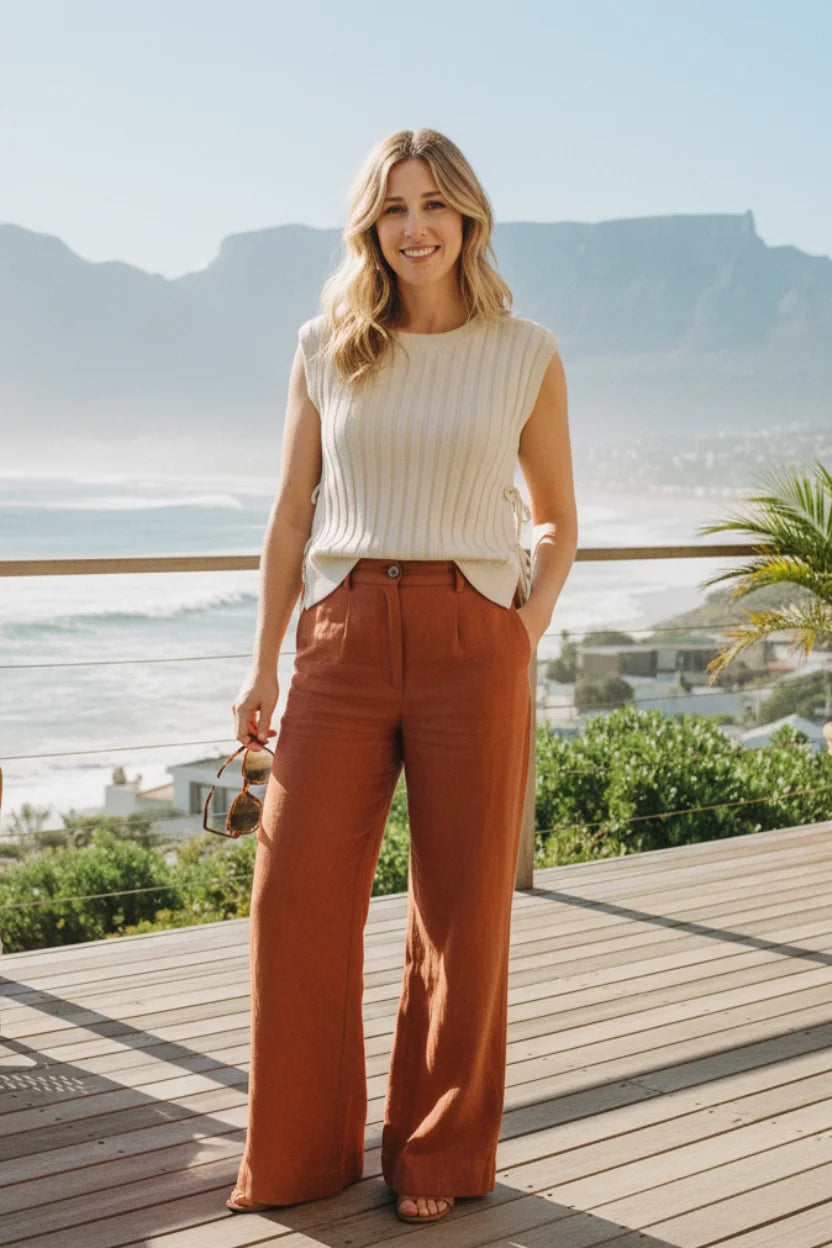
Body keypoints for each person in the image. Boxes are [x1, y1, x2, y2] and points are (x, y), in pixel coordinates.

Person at [225, 127, 578, 1225]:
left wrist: (523, 632)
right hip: (340, 634)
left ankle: (434, 1154)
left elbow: (560, 519)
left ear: (468, 218)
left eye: (433, 204)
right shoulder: (326, 346)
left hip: (473, 636)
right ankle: (298, 1157)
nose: (414, 226)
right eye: (392, 209)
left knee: (462, 911)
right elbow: (291, 515)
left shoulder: (526, 352)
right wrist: (265, 666)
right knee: (292, 901)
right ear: (369, 227)